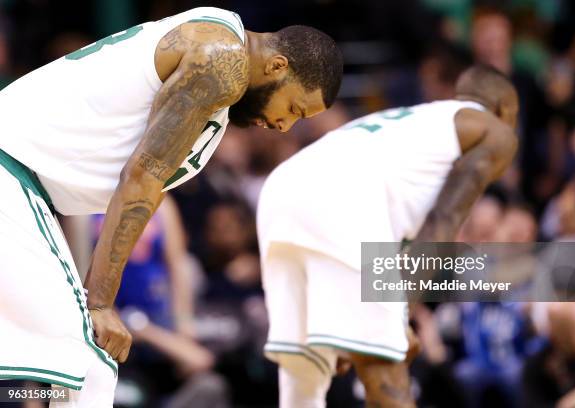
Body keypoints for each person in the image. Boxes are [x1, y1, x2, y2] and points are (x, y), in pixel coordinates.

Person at [0, 6, 343, 406]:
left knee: (66, 365)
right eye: (294, 110)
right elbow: (141, 180)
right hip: (10, 170)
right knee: (89, 355)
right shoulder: (222, 61)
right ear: (277, 66)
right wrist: (101, 303)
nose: (285, 126)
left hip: (22, 182)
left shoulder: (220, 45)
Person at [257, 65, 519, 407]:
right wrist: (399, 318)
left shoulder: (418, 122)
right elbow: (445, 220)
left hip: (282, 187)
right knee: (385, 373)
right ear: (504, 110)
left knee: (304, 377)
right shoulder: (494, 130)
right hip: (343, 198)